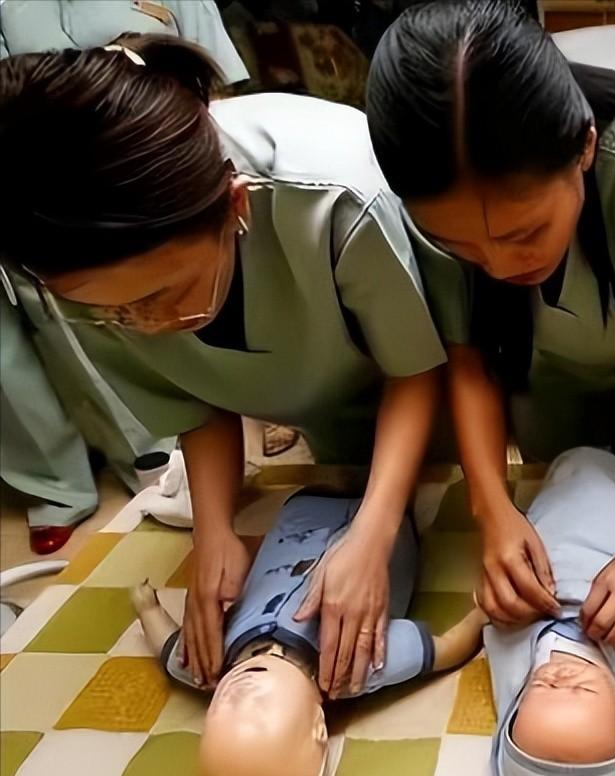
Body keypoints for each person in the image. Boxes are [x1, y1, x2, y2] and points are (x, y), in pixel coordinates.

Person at [0, 36, 446, 698]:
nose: (147, 326)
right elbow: (190, 396)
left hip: (420, 380)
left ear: (235, 207)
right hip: (313, 402)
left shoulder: (333, 196)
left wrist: (375, 531)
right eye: (113, 314)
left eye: (163, 296)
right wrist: (214, 530)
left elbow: (416, 368)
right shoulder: (63, 267)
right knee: (338, 499)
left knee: (433, 516)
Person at [366, 1, 615, 645]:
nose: (501, 265)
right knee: (560, 500)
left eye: (526, 232)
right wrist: (492, 508)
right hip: (538, 390)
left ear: (585, 147)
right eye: (463, 250)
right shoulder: (428, 208)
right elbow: (471, 359)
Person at [0, 0, 249, 554]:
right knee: (74, 337)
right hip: (52, 218)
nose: (155, 320)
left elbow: (219, 83)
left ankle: (156, 456)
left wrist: (198, 168)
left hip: (164, 189)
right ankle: (70, 480)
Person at [130, 494, 487, 776]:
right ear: (318, 725)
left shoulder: (207, 661)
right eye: (259, 708)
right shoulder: (356, 666)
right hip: (384, 517)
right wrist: (480, 618)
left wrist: (148, 609)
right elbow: (442, 650)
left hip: (303, 507)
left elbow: (168, 649)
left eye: (222, 710)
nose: (239, 695)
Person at [473, 447, 615, 775]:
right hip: (608, 553)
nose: (560, 678)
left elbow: (500, 637)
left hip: (543, 559)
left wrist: (494, 606)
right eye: (582, 689)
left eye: (542, 687)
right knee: (604, 492)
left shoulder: (519, 671)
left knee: (561, 490)